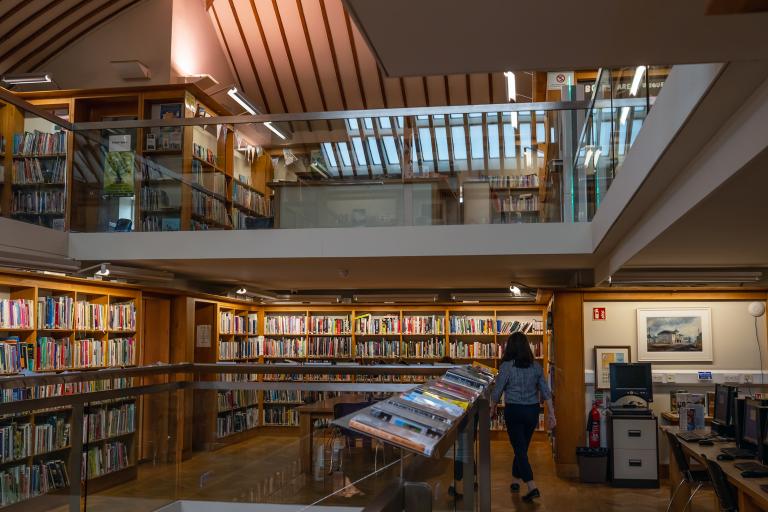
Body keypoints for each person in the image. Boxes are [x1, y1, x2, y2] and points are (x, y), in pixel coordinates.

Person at [490, 331, 556, 502]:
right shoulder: (536, 367)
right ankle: (515, 479)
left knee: (519, 449)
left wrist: (492, 408)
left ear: (510, 348)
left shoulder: (506, 366)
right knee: (522, 448)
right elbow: (546, 391)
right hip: (532, 412)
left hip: (514, 411)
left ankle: (532, 485)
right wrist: (551, 414)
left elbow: (497, 391)